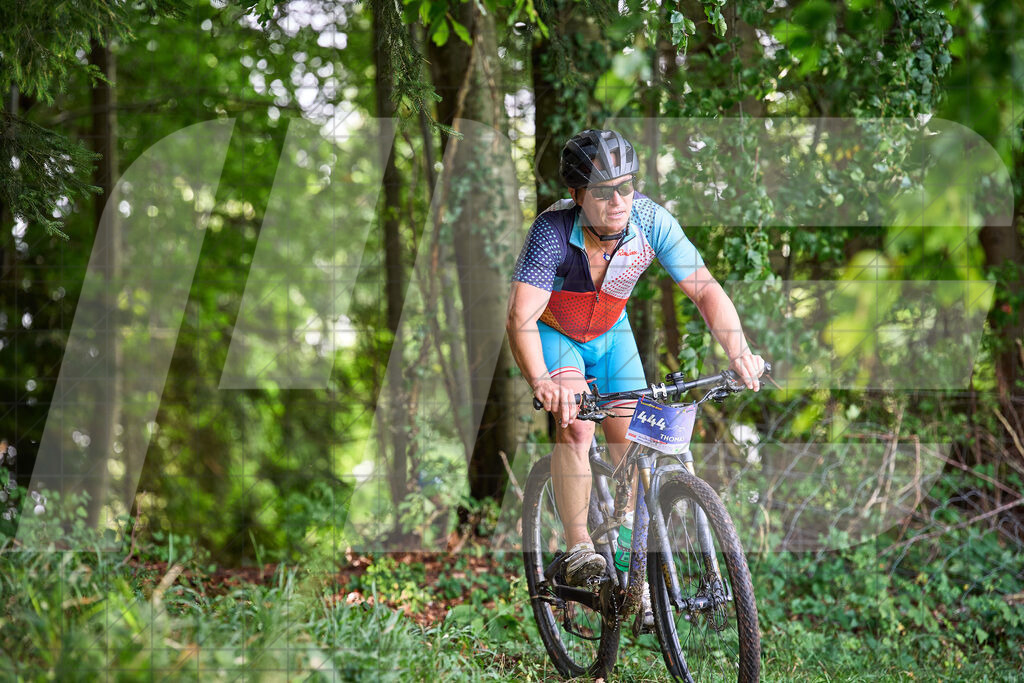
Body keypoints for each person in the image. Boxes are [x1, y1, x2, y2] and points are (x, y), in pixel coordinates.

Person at [506, 129, 765, 587]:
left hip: (611, 333)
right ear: (576, 195)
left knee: (630, 437)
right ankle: (580, 546)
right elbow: (520, 317)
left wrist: (739, 351)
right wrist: (543, 381)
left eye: (625, 186)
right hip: (557, 334)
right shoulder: (551, 232)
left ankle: (629, 549)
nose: (618, 199)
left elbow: (704, 289)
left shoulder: (651, 220)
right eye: (603, 191)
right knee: (577, 425)